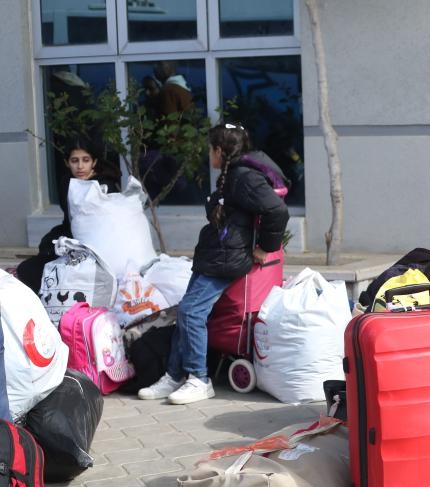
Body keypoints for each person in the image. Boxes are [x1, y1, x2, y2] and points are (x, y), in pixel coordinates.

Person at [138, 123, 289, 405]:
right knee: (187, 311)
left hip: (228, 259)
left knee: (192, 312)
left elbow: (277, 212)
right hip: (214, 254)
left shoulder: (245, 177)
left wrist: (264, 248)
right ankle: (174, 374)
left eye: (211, 149)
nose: (209, 154)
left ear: (219, 150)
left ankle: (199, 378)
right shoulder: (232, 175)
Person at [16, 138, 121, 292]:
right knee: (29, 268)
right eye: (74, 160)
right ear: (67, 163)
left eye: (86, 160)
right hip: (72, 240)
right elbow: (69, 220)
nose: (80, 166)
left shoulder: (104, 185)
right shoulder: (67, 182)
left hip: (99, 246)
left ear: (94, 162)